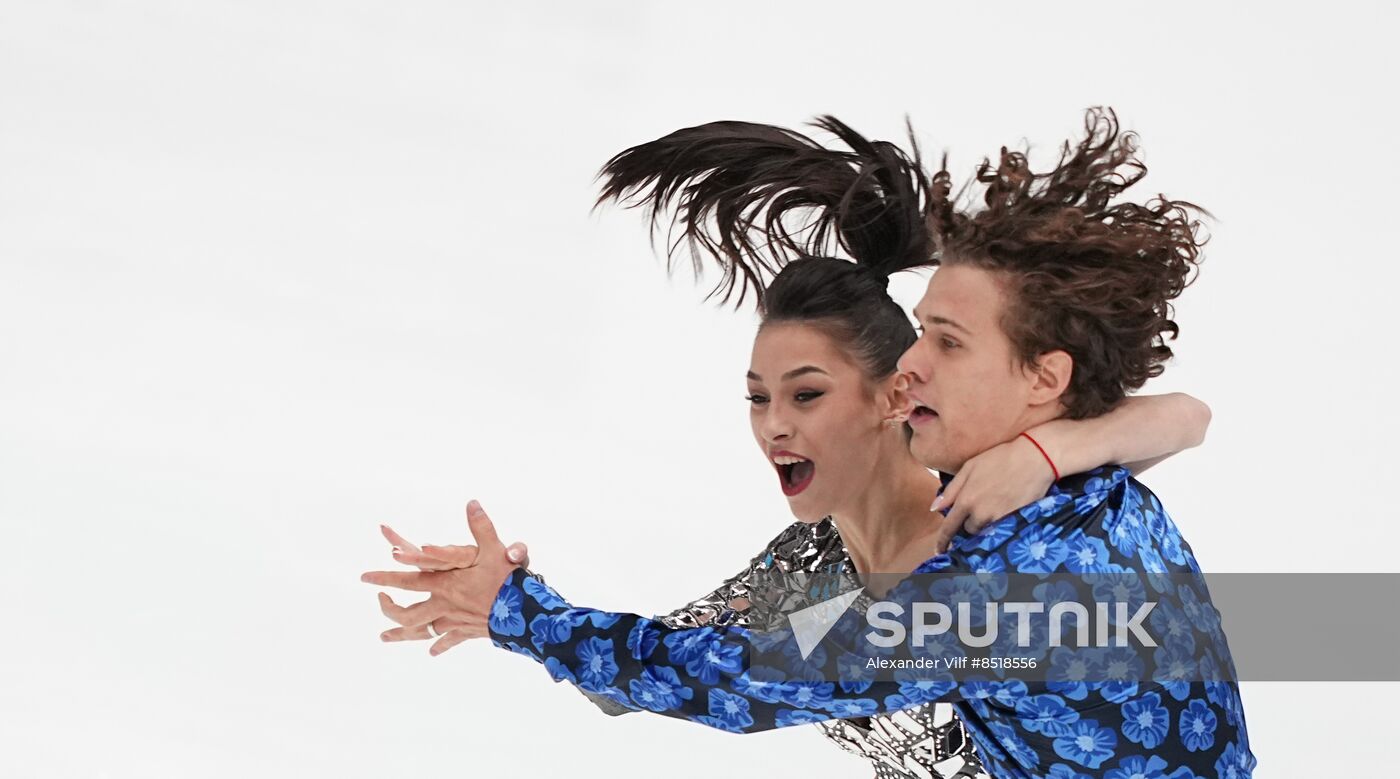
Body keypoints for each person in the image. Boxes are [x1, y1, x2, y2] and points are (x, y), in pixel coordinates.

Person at [361, 108, 1252, 778]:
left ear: (1042, 378)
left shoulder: (1005, 587)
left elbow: (730, 680)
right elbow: (671, 667)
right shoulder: (1049, 485)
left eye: (946, 340)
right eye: (920, 334)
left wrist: (520, 611)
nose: (915, 362)